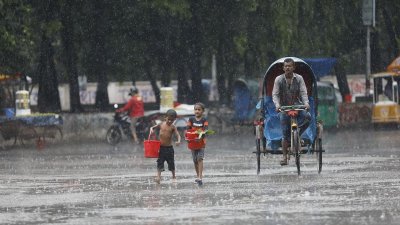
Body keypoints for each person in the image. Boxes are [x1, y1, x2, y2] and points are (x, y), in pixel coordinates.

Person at [272, 58, 311, 166]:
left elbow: (303, 92)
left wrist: (306, 103)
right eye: (286, 66)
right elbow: (275, 95)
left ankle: (298, 134)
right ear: (283, 68)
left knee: (308, 117)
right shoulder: (278, 79)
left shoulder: (299, 79)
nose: (288, 68)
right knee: (285, 133)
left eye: (290, 66)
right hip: (284, 108)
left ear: (294, 67)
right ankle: (284, 157)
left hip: (297, 105)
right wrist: (278, 105)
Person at [149, 109, 181, 184]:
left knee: (171, 163)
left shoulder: (173, 127)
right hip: (161, 148)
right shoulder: (161, 124)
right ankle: (158, 177)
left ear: (174, 120)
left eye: (172, 120)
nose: (170, 121)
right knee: (160, 162)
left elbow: (178, 135)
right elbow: (152, 127)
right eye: (169, 119)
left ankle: (173, 176)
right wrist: (151, 129)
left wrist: (179, 141)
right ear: (165, 117)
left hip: (169, 148)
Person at [186, 102, 208, 186]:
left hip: (201, 142)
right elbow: (187, 130)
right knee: (195, 160)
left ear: (203, 111)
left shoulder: (204, 120)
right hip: (192, 143)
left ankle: (200, 177)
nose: (197, 111)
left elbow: (205, 130)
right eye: (196, 109)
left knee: (200, 158)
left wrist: (200, 136)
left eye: (199, 110)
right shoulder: (191, 119)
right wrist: (187, 138)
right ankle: (197, 176)